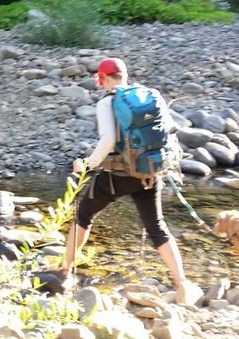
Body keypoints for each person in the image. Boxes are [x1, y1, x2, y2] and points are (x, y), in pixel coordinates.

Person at [61, 57, 199, 304]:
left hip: (117, 176)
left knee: (83, 215)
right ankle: (182, 284)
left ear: (102, 78)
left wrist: (87, 165)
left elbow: (108, 141)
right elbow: (169, 130)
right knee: (157, 227)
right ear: (124, 74)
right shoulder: (151, 95)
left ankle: (65, 273)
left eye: (99, 79)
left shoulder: (108, 102)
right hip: (149, 173)